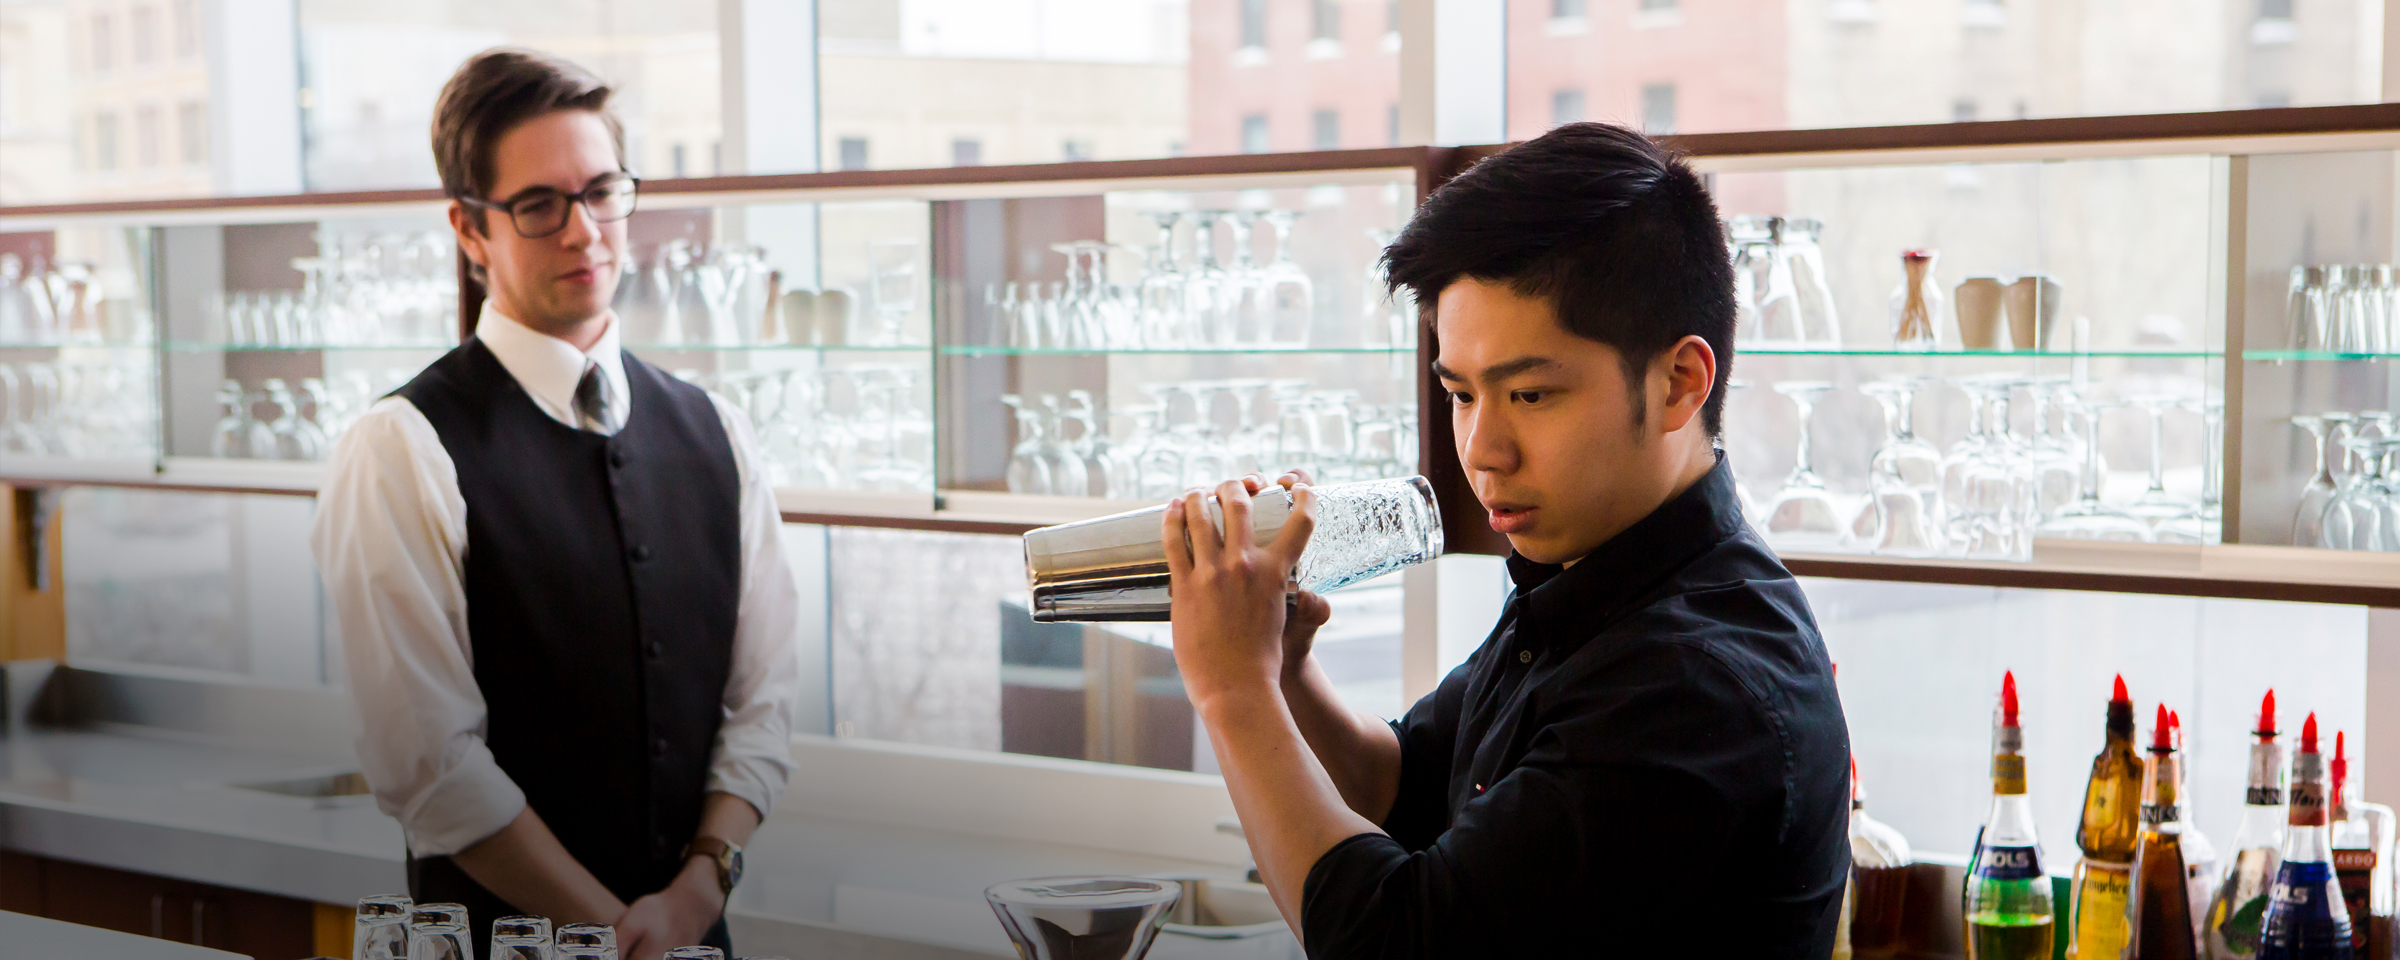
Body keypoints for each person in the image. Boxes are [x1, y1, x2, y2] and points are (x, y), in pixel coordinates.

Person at [1159, 122, 1850, 956]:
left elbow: (1398, 941)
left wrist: (1235, 690)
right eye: (1459, 394)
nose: (1482, 451)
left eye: (1527, 396)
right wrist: (1288, 668)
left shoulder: (1695, 685)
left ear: (1679, 383)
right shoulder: (1587, 583)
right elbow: (1401, 788)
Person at [311, 49, 799, 960]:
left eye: (604, 191)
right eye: (540, 205)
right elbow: (432, 770)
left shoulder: (720, 433)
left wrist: (696, 894)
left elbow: (761, 712)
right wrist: (618, 936)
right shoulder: (400, 449)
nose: (584, 231)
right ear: (469, 229)